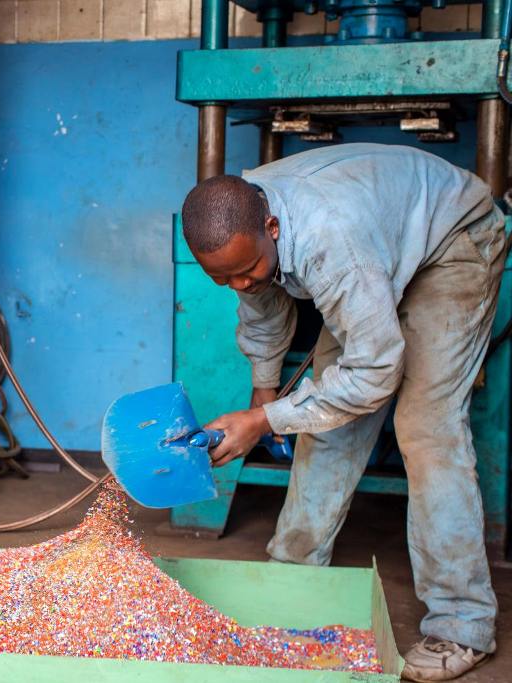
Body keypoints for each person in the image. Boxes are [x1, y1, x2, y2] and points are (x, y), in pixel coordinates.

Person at [180, 143, 505, 682]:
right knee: (328, 423)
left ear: (274, 227)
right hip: (378, 247)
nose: (240, 283)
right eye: (224, 279)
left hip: (451, 242)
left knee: (425, 427)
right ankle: (293, 577)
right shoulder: (240, 232)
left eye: (248, 269)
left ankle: (462, 625)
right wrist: (265, 395)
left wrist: (265, 422)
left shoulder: (331, 243)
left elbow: (375, 373)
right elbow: (261, 315)